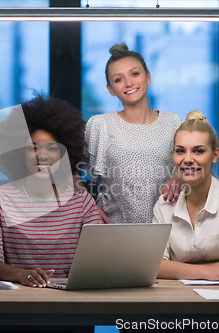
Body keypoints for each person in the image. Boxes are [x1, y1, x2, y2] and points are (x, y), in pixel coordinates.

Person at [0, 95, 101, 289]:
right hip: (13, 302)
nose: (43, 156)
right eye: (33, 148)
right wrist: (22, 275)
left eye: (52, 148)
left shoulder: (82, 201)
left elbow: (98, 257)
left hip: (70, 302)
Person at [85, 43, 183, 225]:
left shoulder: (173, 122)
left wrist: (180, 177)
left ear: (148, 77)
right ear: (110, 89)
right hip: (114, 232)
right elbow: (62, 168)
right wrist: (86, 206)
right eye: (118, 79)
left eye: (135, 74)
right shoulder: (100, 124)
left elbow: (194, 168)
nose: (129, 83)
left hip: (168, 231)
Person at [154, 111, 219, 281]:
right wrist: (210, 272)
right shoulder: (164, 205)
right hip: (176, 298)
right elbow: (155, 265)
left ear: (215, 155)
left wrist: (175, 269)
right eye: (180, 151)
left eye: (198, 151)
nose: (187, 159)